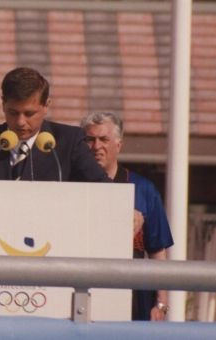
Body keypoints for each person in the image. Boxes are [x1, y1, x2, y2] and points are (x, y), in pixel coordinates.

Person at [81, 112, 174, 321]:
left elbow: (158, 253)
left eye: (104, 139)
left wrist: (161, 303)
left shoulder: (143, 189)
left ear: (119, 145)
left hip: (134, 298)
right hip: (83, 294)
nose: (96, 147)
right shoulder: (71, 187)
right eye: (90, 139)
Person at [0, 67, 110, 183]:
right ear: (3, 104)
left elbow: (105, 188)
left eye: (29, 114)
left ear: (46, 105)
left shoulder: (69, 142)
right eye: (13, 113)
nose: (20, 122)